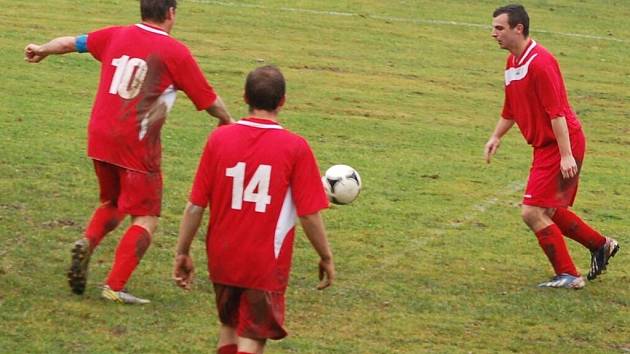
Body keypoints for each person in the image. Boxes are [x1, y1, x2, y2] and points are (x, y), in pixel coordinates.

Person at [24, 0, 233, 304]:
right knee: (146, 216)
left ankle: (88, 240)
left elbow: (72, 42)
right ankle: (114, 286)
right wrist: (227, 119)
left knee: (113, 201)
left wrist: (42, 48)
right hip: (136, 143)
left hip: (99, 135)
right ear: (171, 13)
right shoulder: (175, 52)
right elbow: (208, 99)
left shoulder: (115, 35)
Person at [173, 65, 335, 354]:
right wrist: (325, 256)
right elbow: (309, 214)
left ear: (244, 96)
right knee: (251, 337)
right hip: (263, 262)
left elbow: (195, 205)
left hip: (222, 255)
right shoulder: (295, 148)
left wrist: (182, 251)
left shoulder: (219, 139)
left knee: (229, 328)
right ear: (283, 101)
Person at [485, 4, 619, 289]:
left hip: (560, 143)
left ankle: (569, 275)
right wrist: (496, 137)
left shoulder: (541, 63)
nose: (493, 34)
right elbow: (511, 109)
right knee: (548, 209)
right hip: (546, 146)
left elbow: (556, 112)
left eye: (499, 28)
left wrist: (566, 155)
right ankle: (601, 245)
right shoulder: (512, 64)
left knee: (532, 212)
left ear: (518, 29)